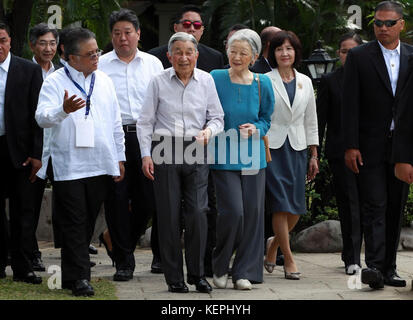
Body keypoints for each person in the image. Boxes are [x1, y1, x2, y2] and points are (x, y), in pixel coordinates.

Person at [35, 27, 125, 296]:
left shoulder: (105, 80)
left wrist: (119, 157)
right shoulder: (54, 81)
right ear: (71, 57)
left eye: (97, 51)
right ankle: (79, 278)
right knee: (74, 220)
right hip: (70, 164)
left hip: (101, 160)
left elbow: (116, 121)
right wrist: (63, 110)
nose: (96, 57)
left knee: (87, 222)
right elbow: (41, 118)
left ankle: (70, 274)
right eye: (90, 54)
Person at [137, 32, 224, 293]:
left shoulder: (206, 80)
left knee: (198, 212)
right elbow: (145, 122)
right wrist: (145, 154)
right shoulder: (158, 81)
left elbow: (218, 117)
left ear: (196, 55)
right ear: (169, 56)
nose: (184, 57)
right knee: (168, 215)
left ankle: (197, 274)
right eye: (178, 52)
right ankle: (173, 277)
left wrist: (209, 132)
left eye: (189, 52)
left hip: (196, 148)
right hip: (164, 149)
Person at [342, 1, 413, 289]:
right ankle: (373, 268)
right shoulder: (359, 56)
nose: (382, 28)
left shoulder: (411, 56)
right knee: (375, 205)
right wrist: (350, 144)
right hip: (369, 144)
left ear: (401, 25)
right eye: (378, 23)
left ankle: (390, 268)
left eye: (389, 23)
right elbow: (350, 104)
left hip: (403, 146)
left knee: (396, 207)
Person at [99, 8, 163, 282]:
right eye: (117, 33)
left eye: (128, 33)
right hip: (113, 137)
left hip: (147, 136)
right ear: (111, 36)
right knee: (115, 197)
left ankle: (114, 238)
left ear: (138, 34)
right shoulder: (100, 64)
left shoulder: (153, 64)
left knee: (148, 201)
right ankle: (124, 261)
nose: (123, 38)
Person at [210, 29, 274, 290]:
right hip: (222, 154)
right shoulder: (215, 77)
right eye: (232, 51)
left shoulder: (263, 82)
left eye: (243, 53)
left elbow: (266, 118)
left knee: (253, 214)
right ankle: (219, 265)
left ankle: (244, 272)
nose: (236, 57)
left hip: (253, 155)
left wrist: (256, 129)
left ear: (254, 56)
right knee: (233, 212)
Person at [264, 30, 319, 280]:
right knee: (280, 203)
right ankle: (289, 258)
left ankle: (272, 246)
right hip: (271, 148)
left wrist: (314, 154)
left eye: (289, 48)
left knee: (296, 206)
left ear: (295, 52)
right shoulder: (264, 79)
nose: (284, 53)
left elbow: (311, 120)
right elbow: (261, 115)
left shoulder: (306, 81)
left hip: (297, 147)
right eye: (279, 49)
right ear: (272, 53)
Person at [317, 32, 364, 275]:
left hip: (369, 152)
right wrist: (315, 153)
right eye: (344, 51)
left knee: (366, 205)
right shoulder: (329, 80)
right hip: (339, 153)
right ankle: (353, 259)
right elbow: (320, 120)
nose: (348, 55)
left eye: (352, 50)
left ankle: (354, 254)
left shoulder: (369, 78)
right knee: (349, 204)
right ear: (338, 53)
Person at [0, 22, 44, 284]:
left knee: (23, 212)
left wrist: (37, 153)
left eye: (2, 40)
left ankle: (22, 266)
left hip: (21, 151)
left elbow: (37, 115)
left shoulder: (28, 70)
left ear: (10, 41)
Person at [28, 22, 59, 273]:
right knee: (30, 204)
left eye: (52, 43)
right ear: (32, 45)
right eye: (43, 43)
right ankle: (31, 253)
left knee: (68, 201)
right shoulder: (24, 71)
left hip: (58, 148)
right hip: (34, 149)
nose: (48, 48)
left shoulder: (61, 74)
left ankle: (72, 250)